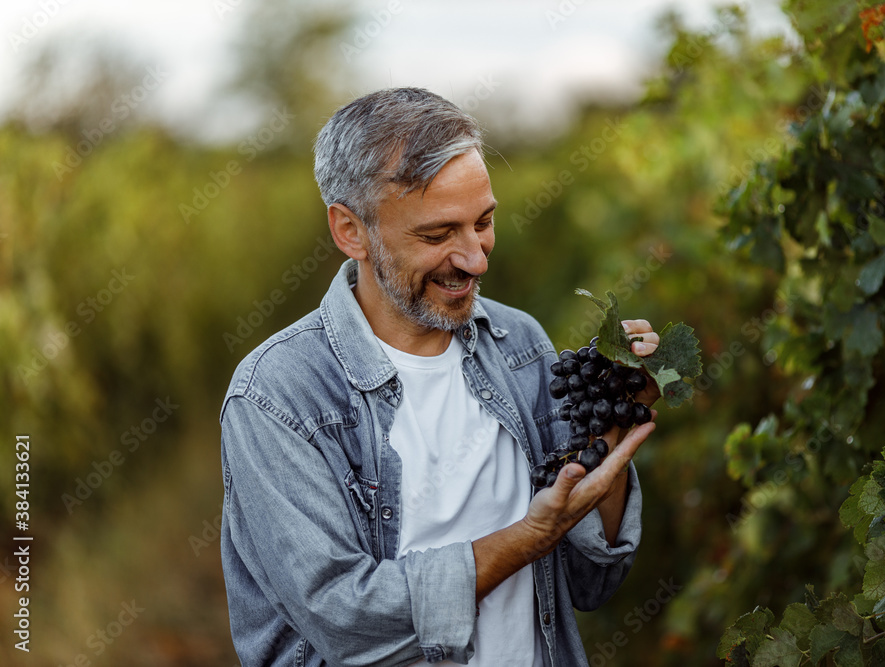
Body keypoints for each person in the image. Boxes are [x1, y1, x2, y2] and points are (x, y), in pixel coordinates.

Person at [219, 87, 662, 666]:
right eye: (438, 235)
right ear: (350, 230)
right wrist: (526, 539)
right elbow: (345, 620)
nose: (475, 258)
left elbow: (590, 580)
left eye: (484, 222)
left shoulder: (520, 346)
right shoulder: (278, 397)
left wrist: (611, 430)